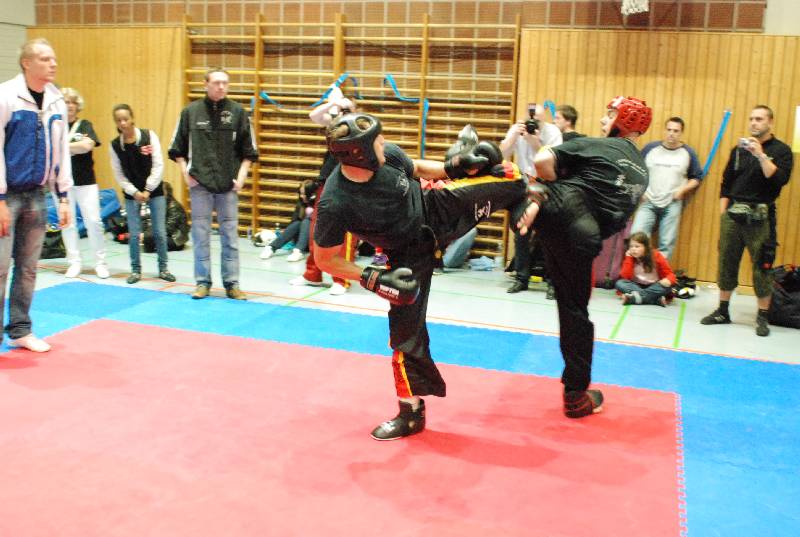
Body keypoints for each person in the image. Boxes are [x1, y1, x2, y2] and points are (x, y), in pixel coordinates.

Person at [313, 111, 526, 440]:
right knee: (404, 335)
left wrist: (454, 166)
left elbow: (418, 168)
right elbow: (325, 259)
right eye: (377, 142)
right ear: (359, 153)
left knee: (506, 174)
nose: (384, 144)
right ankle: (410, 413)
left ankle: (528, 208)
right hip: (404, 255)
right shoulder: (335, 201)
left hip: (436, 209)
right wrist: (372, 278)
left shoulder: (388, 156)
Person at [516, 96, 651, 418]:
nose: (604, 120)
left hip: (559, 211)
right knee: (575, 312)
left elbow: (542, 160)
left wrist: (541, 191)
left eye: (610, 115)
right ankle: (576, 395)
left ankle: (439, 217)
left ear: (624, 122)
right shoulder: (643, 172)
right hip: (585, 240)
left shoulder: (596, 145)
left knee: (503, 177)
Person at [0, 38, 71, 352]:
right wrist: (0, 199)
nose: (52, 64)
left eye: (53, 58)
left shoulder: (56, 101)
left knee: (28, 268)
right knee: (0, 268)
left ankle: (20, 330)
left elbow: (61, 151)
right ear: (26, 63)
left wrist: (63, 196)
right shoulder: (6, 96)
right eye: (44, 59)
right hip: (7, 196)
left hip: (37, 195)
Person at [701, 105, 794, 337]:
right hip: (733, 215)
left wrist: (760, 154)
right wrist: (724, 213)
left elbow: (779, 179)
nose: (753, 123)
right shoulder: (738, 150)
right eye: (751, 118)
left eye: (759, 119)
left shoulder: (782, 150)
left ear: (770, 122)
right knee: (726, 262)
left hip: (761, 217)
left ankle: (762, 317)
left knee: (762, 266)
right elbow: (726, 183)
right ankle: (722, 311)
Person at [168, 68, 258, 300]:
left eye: (225, 83)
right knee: (200, 236)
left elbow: (249, 150)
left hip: (228, 186)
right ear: (205, 84)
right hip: (199, 184)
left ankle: (232, 283)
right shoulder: (190, 112)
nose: (221, 87)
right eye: (217, 82)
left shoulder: (238, 112)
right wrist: (185, 173)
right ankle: (202, 282)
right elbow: (176, 148)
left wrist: (242, 176)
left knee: (230, 237)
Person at [289, 89, 357, 295]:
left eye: (348, 108)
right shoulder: (334, 124)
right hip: (326, 183)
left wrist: (347, 106)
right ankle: (313, 274)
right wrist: (333, 103)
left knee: (345, 234)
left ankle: (342, 279)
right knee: (316, 230)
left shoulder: (361, 126)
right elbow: (314, 115)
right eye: (343, 109)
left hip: (350, 185)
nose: (344, 111)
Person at [110, 104, 175, 285]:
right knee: (133, 233)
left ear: (132, 118)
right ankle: (135, 270)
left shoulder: (149, 136)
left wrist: (148, 189)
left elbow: (158, 164)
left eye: (125, 119)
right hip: (132, 194)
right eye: (119, 120)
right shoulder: (115, 146)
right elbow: (119, 175)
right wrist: (135, 192)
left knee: (159, 232)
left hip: (155, 191)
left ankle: (163, 268)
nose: (123, 123)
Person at [501, 104, 562, 295]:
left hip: (549, 186)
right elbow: (501, 155)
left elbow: (554, 164)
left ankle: (553, 282)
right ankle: (521, 278)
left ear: (544, 119)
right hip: (524, 186)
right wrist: (513, 136)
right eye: (530, 119)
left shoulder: (553, 132)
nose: (532, 123)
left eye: (537, 120)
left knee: (550, 234)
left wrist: (535, 142)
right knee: (521, 229)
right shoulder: (518, 129)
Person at [631, 117, 703, 261]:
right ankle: (639, 269)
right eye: (669, 130)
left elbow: (696, 178)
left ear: (681, 133)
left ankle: (659, 272)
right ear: (665, 130)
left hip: (672, 203)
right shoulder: (650, 149)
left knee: (667, 242)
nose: (671, 134)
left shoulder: (688, 152)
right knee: (636, 235)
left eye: (676, 131)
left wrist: (682, 190)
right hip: (648, 201)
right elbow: (635, 170)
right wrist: (640, 191)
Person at [60, 87, 108, 279]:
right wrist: (74, 147)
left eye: (73, 102)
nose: (70, 105)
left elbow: (87, 145)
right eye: (66, 102)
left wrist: (63, 147)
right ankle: (74, 262)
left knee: (94, 221)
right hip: (62, 183)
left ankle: (100, 262)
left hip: (86, 181)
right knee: (67, 223)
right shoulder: (55, 126)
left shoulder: (85, 125)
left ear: (78, 106)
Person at [260, 179, 316, 262]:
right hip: (300, 240)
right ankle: (271, 247)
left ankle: (298, 251)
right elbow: (293, 223)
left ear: (311, 194)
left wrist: (312, 203)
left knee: (306, 221)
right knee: (298, 223)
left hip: (313, 241)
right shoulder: (301, 203)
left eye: (304, 194)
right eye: (300, 193)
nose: (301, 196)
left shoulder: (318, 204)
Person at [615, 231, 676, 306]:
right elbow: (625, 277)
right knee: (620, 283)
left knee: (667, 287)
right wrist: (628, 258)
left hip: (654, 286)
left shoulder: (656, 255)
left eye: (637, 246)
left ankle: (635, 298)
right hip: (636, 286)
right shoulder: (630, 257)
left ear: (645, 247)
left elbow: (671, 275)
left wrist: (669, 280)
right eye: (631, 246)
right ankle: (654, 300)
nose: (633, 249)